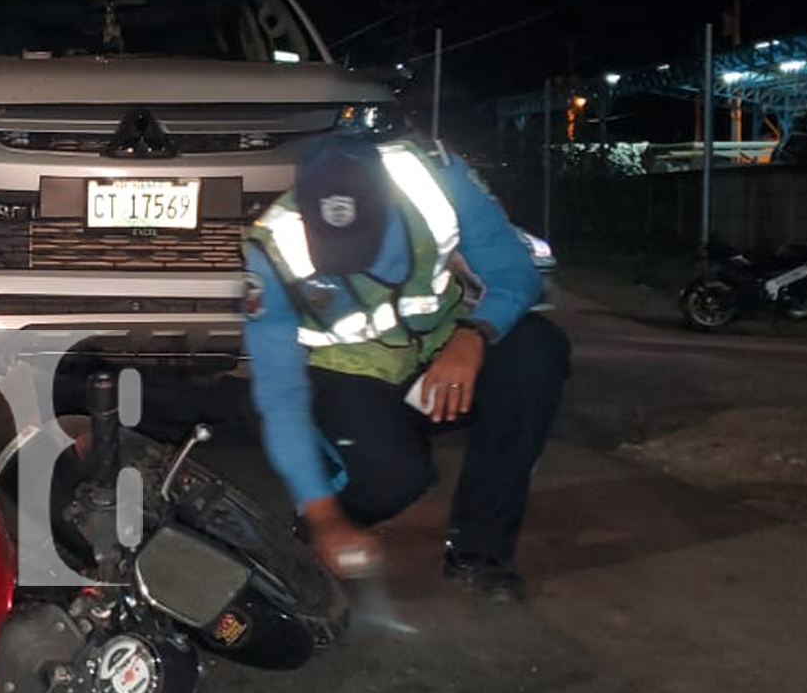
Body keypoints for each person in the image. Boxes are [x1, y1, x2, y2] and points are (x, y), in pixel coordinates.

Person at [239, 130, 571, 602]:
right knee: (395, 478)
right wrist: (323, 516)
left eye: (361, 239)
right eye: (333, 241)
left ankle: (479, 551)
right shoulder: (271, 249)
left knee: (535, 352)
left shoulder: (435, 180)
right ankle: (329, 521)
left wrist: (475, 334)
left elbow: (513, 271)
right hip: (347, 374)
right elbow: (279, 395)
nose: (349, 258)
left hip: (442, 351)